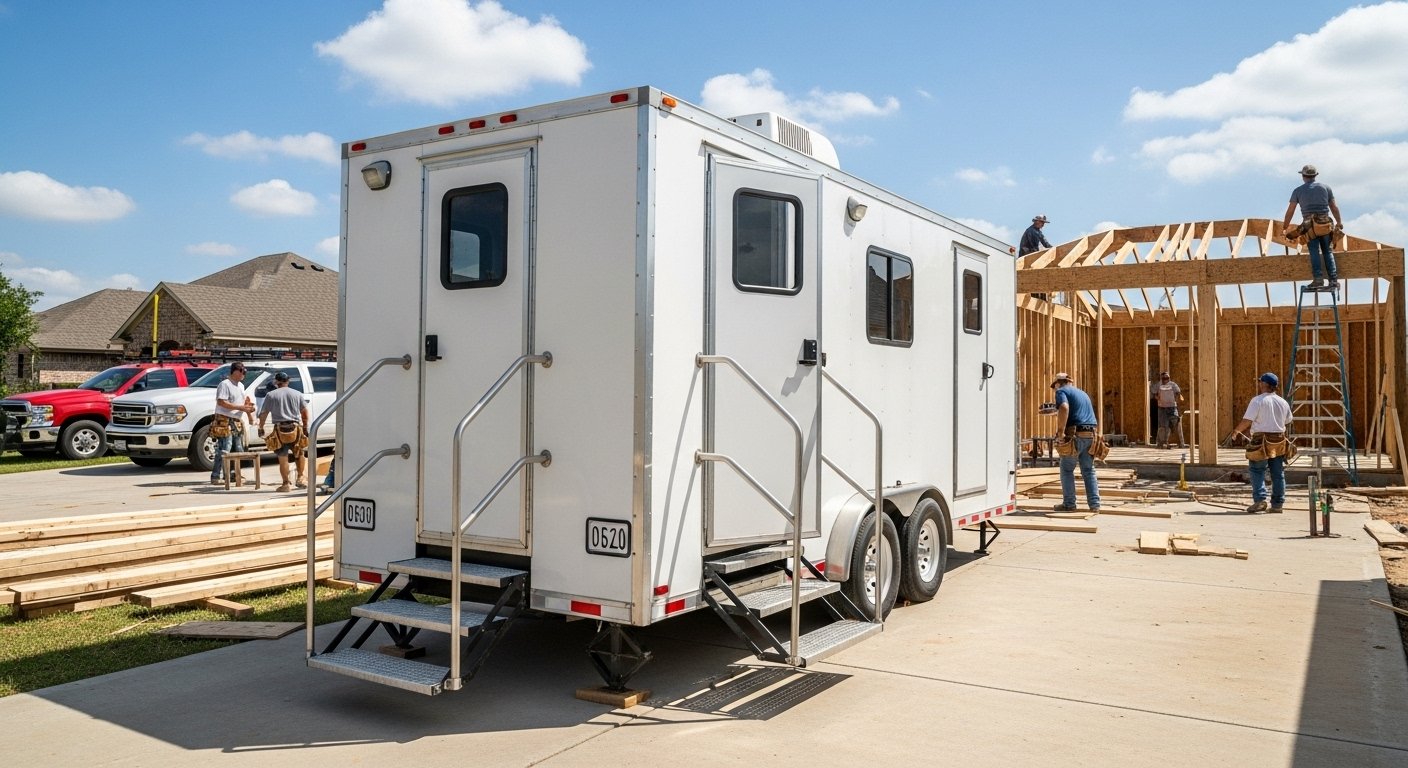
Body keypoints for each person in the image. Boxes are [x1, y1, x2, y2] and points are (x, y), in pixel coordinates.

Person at [1233, 372, 1292, 514]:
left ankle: (1260, 500)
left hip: (1261, 440)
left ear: (1264, 384)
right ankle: (1277, 505)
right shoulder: (1283, 402)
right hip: (1278, 439)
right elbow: (1288, 420)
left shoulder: (1258, 401)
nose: (1259, 384)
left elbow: (1247, 420)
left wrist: (1236, 431)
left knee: (1257, 470)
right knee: (1277, 473)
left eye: (1260, 382)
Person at [1282, 164, 1342, 291]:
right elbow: (1334, 207)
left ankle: (1318, 279)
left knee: (1314, 252)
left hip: (1309, 227)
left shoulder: (1298, 191)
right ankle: (1333, 280)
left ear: (1303, 176)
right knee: (1327, 252)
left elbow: (1290, 211)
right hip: (1325, 224)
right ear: (1315, 176)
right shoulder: (1326, 188)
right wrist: (1339, 222)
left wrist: (1285, 227)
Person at [1050, 372, 1101, 511]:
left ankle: (1069, 504)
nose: (1055, 389)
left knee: (1066, 469)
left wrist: (1060, 433)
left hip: (1075, 435)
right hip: (1091, 434)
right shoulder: (1082, 393)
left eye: (1054, 386)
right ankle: (1094, 505)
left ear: (1058, 383)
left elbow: (1064, 407)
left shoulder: (1061, 391)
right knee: (1088, 470)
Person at [256, 371, 310, 493]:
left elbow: (264, 414)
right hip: (296, 428)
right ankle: (301, 478)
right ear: (288, 381)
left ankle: (286, 484)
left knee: (282, 457)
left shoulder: (271, 395)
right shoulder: (297, 394)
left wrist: (261, 427)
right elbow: (305, 413)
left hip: (280, 430)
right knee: (300, 453)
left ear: (276, 382)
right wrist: (306, 427)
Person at [211, 362, 255, 485]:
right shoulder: (225, 384)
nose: (244, 374)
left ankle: (234, 474)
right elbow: (222, 402)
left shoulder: (240, 385)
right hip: (224, 419)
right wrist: (241, 408)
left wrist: (249, 414)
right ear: (235, 371)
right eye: (242, 371)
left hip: (236, 420)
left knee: (238, 448)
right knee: (225, 448)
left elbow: (244, 403)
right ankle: (216, 476)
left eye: (244, 372)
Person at [1149, 371, 1186, 449]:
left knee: (1175, 421)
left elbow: (1178, 393)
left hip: (1172, 407)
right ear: (1162, 378)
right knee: (1162, 426)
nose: (1166, 379)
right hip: (1162, 408)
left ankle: (1181, 443)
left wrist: (1176, 399)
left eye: (1167, 378)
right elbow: (1152, 391)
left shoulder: (1173, 385)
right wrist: (1155, 396)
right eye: (1164, 378)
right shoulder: (1158, 385)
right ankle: (1161, 443)